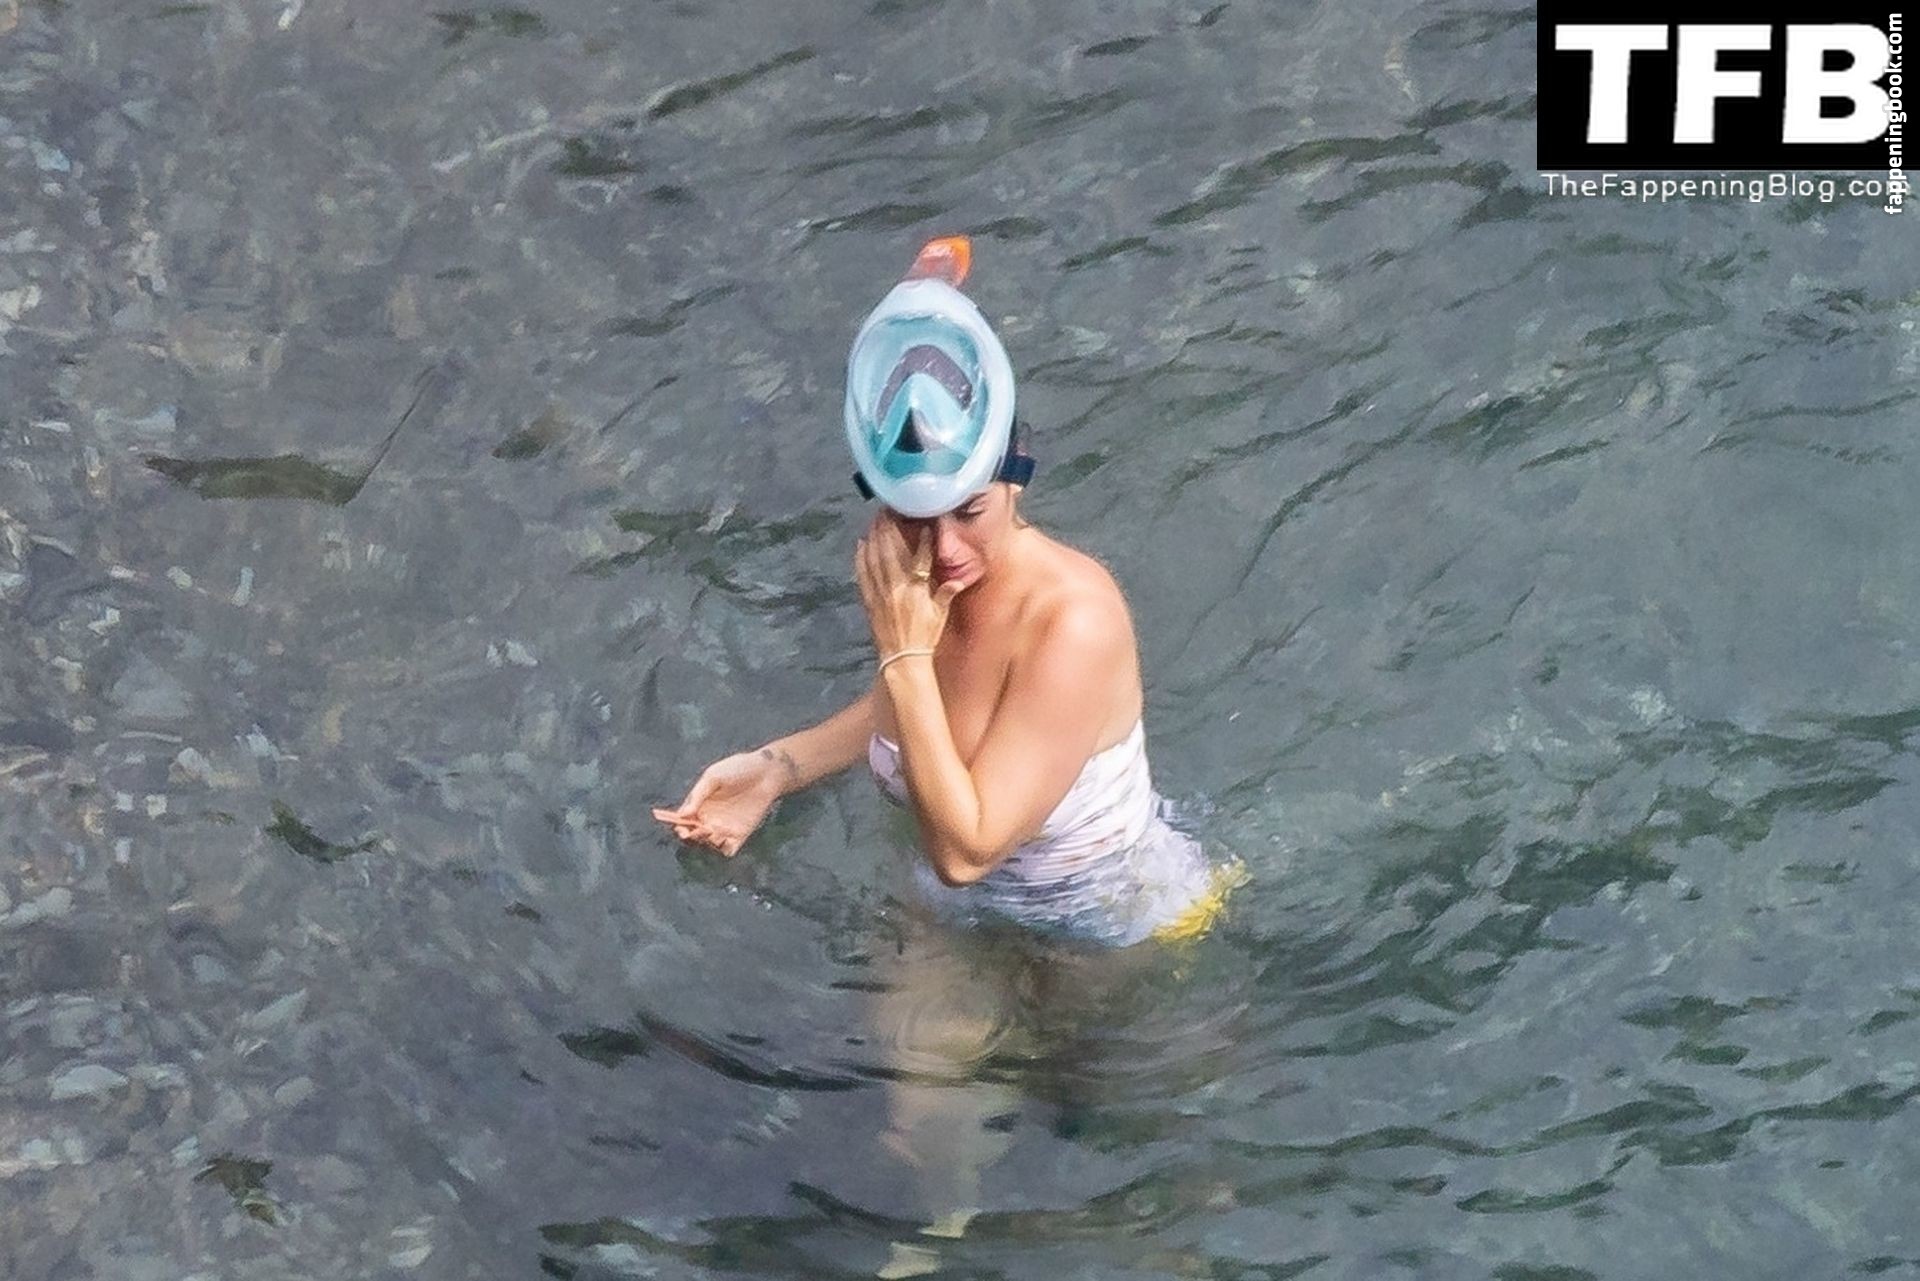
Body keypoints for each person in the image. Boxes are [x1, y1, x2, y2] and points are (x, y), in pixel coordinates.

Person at [654, 235, 1239, 947]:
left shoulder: (1073, 621)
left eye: (970, 511)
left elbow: (967, 853)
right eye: (914, 519)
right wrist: (781, 767)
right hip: (955, 914)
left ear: (1016, 476)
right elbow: (931, 709)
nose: (945, 550)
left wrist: (902, 653)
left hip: (1112, 932)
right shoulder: (924, 579)